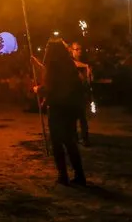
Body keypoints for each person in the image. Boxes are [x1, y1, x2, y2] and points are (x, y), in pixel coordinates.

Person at [32, 38, 86, 186]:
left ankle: (63, 175)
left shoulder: (54, 66)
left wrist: (38, 90)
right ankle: (79, 175)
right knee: (69, 142)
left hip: (58, 109)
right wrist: (37, 64)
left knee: (57, 143)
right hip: (70, 108)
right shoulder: (68, 65)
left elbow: (50, 86)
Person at [70, 43, 92, 146]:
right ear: (72, 50)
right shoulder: (69, 61)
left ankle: (85, 139)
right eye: (77, 49)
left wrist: (88, 74)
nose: (79, 51)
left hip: (81, 94)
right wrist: (85, 66)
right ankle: (74, 138)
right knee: (73, 119)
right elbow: (73, 64)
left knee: (83, 119)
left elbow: (88, 80)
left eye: (80, 49)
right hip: (72, 94)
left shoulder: (85, 63)